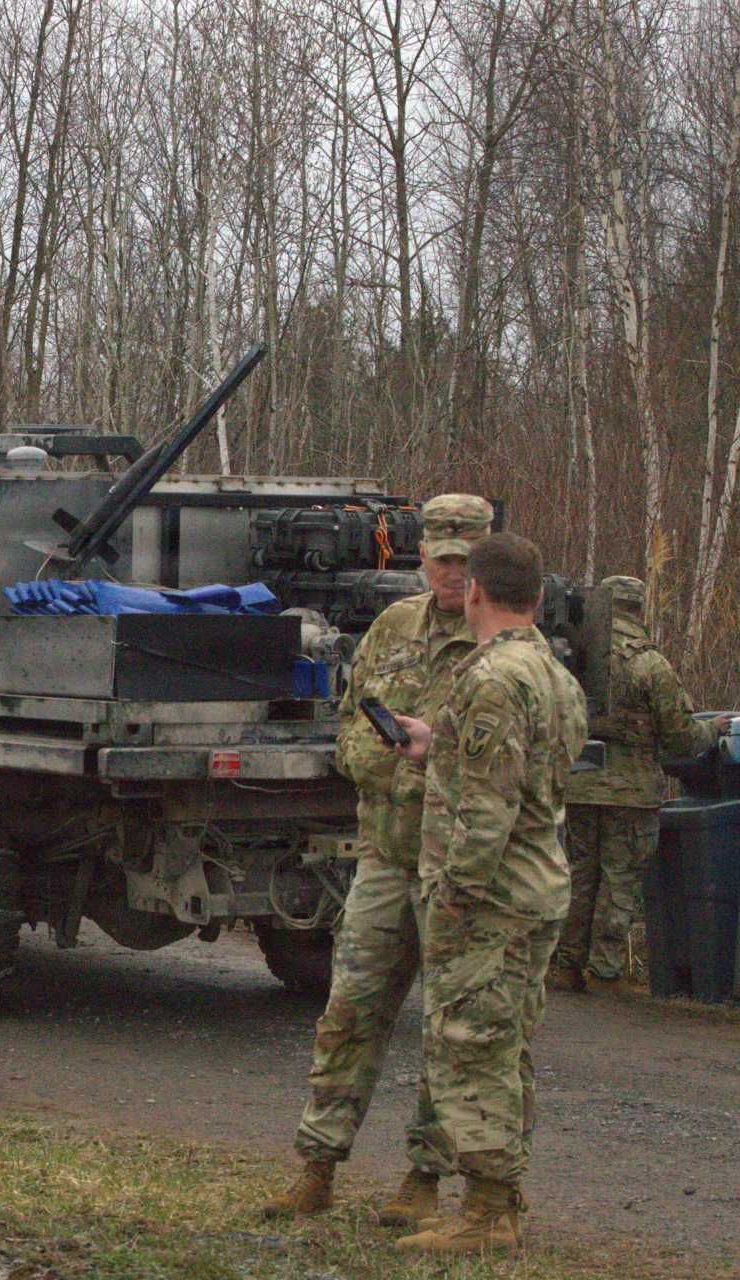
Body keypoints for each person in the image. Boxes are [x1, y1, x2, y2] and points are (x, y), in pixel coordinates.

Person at [259, 493, 488, 1229]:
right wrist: (400, 766)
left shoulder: (506, 647)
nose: (452, 574)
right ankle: (318, 1166)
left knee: (449, 1034)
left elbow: (502, 769)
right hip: (387, 857)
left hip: (460, 871)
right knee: (349, 1013)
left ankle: (423, 1178)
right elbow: (352, 730)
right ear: (422, 559)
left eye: (466, 561)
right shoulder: (392, 628)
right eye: (442, 559)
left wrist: (423, 768)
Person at [390, 532, 588, 1256]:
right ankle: (498, 1199)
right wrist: (437, 743)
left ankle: (486, 1214)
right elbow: (523, 771)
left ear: (474, 590)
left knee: (472, 1045)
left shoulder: (493, 678)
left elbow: (490, 805)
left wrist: (455, 894)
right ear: (536, 597)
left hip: (491, 897)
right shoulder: (552, 672)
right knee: (505, 1047)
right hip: (536, 885)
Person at [549, 575, 728, 993]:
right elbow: (680, 737)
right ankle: (605, 972)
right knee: (620, 880)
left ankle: (565, 966)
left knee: (578, 877)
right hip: (630, 793)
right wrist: (713, 730)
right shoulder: (649, 663)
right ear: (639, 609)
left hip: (579, 784)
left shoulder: (572, 657)